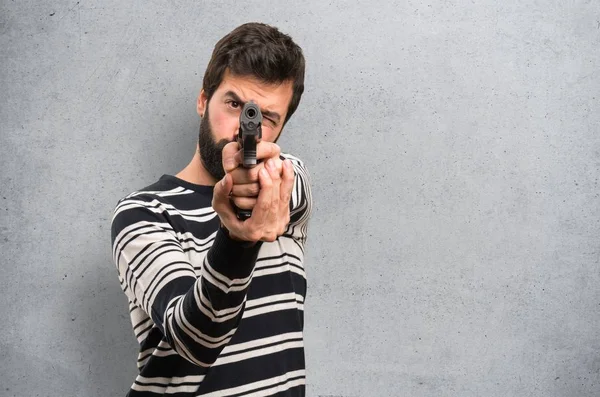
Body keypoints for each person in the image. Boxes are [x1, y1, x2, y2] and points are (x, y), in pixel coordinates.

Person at [110, 22, 312, 396]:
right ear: (204, 100)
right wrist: (237, 239)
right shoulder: (143, 213)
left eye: (266, 118)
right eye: (234, 104)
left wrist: (257, 190)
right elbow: (196, 341)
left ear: (281, 129)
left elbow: (289, 180)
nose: (243, 129)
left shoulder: (285, 186)